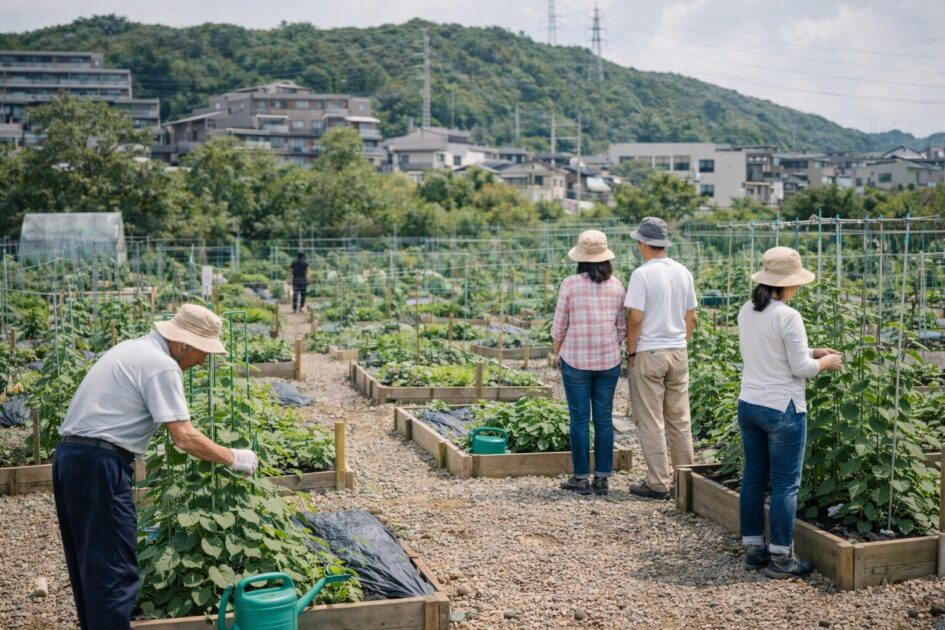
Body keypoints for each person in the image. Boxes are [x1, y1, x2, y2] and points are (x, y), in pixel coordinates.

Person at [53, 304, 259, 629]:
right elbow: (184, 436)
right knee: (115, 574)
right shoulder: (162, 365)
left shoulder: (133, 348)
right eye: (203, 352)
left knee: (92, 569)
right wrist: (234, 458)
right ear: (183, 344)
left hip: (72, 459)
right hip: (99, 467)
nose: (204, 361)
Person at [737, 246, 842, 578]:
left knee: (753, 478)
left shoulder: (746, 310)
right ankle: (782, 558)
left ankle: (755, 550)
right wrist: (827, 361)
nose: (798, 287)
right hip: (783, 409)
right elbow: (802, 369)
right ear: (786, 284)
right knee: (784, 484)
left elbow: (768, 350)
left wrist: (812, 349)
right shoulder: (788, 315)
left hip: (750, 404)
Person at [625, 216, 697, 500]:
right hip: (678, 351)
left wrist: (631, 352)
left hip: (650, 351)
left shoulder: (642, 274)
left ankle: (658, 483)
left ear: (642, 243)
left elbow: (636, 318)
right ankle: (686, 481)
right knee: (680, 419)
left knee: (651, 419)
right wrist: (682, 343)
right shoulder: (683, 272)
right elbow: (691, 316)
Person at [551, 230, 627, 495]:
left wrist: (557, 351)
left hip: (576, 361)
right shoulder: (617, 285)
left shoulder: (570, 284)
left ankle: (580, 478)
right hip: (608, 362)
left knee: (579, 419)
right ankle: (603, 478)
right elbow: (621, 328)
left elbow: (559, 326)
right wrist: (608, 345)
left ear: (580, 258)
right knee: (604, 419)